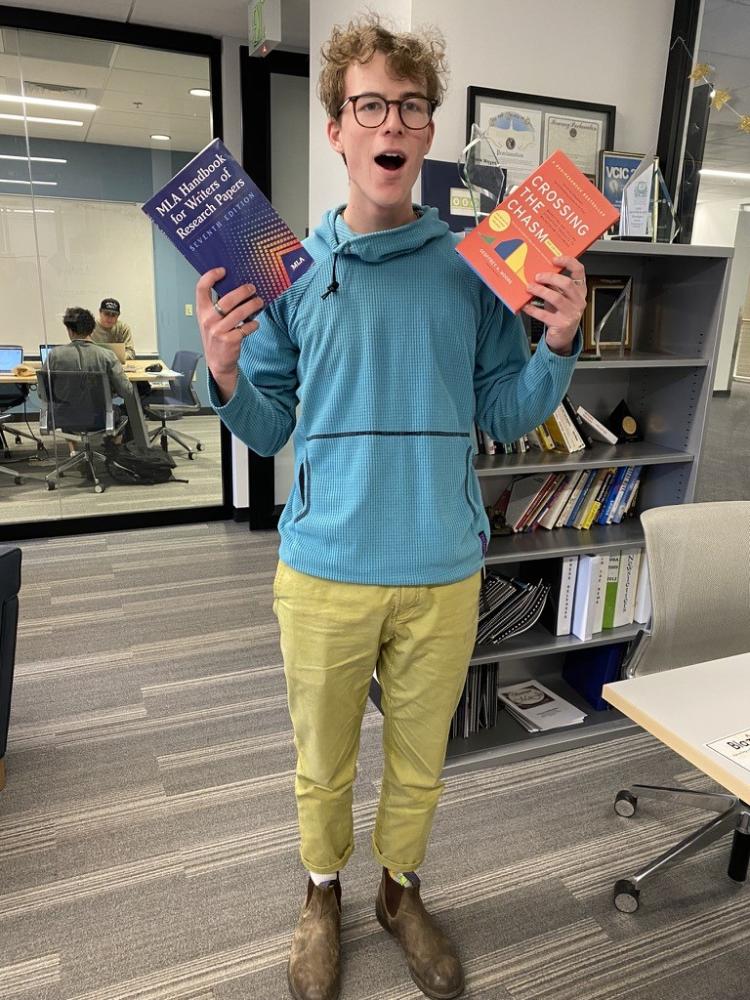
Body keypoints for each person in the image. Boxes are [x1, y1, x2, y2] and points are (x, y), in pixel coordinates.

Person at [196, 16, 586, 1000]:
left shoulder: (479, 266)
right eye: (371, 104)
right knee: (322, 767)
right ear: (338, 129)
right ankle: (321, 893)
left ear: (426, 131)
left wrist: (559, 345)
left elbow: (503, 410)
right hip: (323, 569)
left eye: (411, 107)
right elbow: (272, 424)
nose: (393, 122)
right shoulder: (282, 269)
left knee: (419, 767)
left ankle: (398, 891)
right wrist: (226, 370)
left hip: (442, 569)